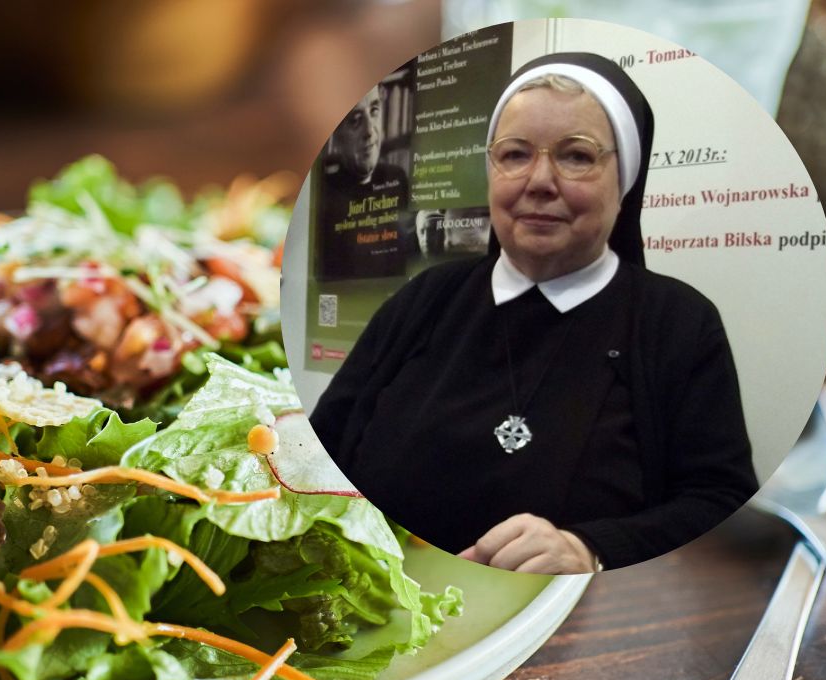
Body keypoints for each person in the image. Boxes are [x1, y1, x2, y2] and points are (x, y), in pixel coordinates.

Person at [308, 52, 758, 574]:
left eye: (577, 156)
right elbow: (321, 445)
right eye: (516, 154)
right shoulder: (425, 297)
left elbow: (720, 501)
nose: (540, 181)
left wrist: (593, 549)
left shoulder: (680, 323)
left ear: (625, 183)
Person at [315, 83, 411, 280]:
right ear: (336, 136)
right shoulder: (323, 190)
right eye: (355, 120)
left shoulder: (398, 177)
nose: (370, 131)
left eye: (374, 110)